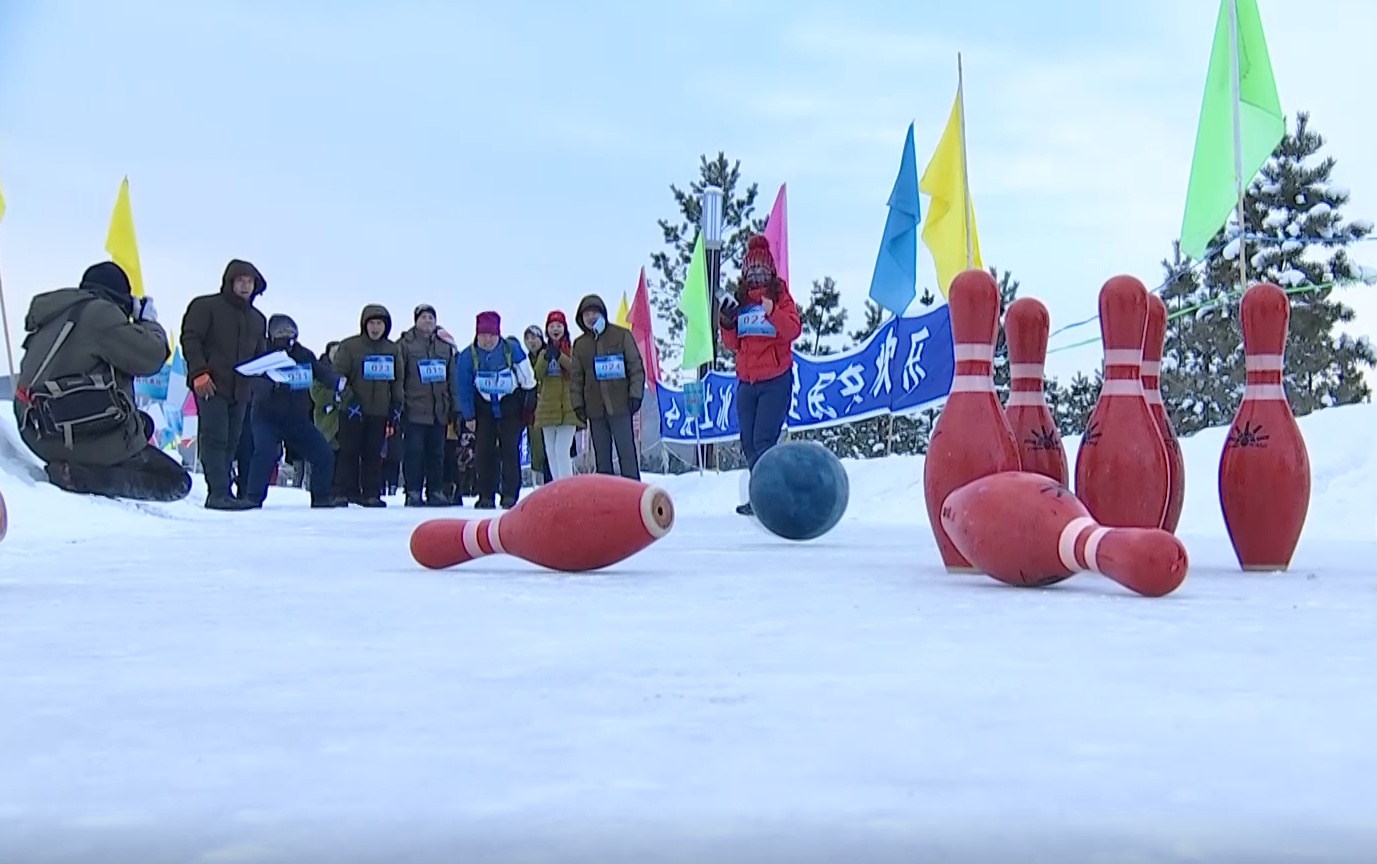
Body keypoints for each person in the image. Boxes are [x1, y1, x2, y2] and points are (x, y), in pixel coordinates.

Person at [12, 261, 192, 502]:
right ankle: (80, 476)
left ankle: (79, 465)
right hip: (70, 433)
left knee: (143, 424)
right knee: (176, 481)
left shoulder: (56, 312)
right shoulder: (100, 314)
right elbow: (151, 357)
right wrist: (148, 322)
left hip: (36, 430)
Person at [719, 234, 803, 516]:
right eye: (752, 270)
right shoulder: (740, 300)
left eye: (762, 270)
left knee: (764, 440)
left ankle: (770, 497)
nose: (757, 275)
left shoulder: (780, 296)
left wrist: (773, 311)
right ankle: (763, 495)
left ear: (770, 271)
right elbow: (732, 344)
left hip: (775, 379)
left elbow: (792, 330)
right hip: (747, 380)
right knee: (748, 442)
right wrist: (727, 323)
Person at [179, 259, 269, 510]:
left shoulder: (258, 319)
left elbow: (259, 354)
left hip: (241, 389)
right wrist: (199, 372)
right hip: (210, 384)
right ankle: (217, 492)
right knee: (215, 437)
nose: (245, 286)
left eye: (250, 281)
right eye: (240, 280)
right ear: (229, 282)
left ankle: (224, 491)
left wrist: (262, 375)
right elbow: (191, 339)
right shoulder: (205, 306)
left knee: (232, 439)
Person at [243, 314, 346, 508]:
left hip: (297, 419)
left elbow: (319, 371)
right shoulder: (262, 353)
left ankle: (321, 497)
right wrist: (267, 386)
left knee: (323, 454)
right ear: (271, 334)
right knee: (264, 454)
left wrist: (337, 382)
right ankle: (253, 498)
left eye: (290, 330)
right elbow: (250, 378)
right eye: (281, 331)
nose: (286, 334)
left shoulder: (304, 354)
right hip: (266, 418)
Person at [453, 311, 537, 509]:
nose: (488, 340)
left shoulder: (512, 350)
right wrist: (469, 416)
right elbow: (463, 387)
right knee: (483, 452)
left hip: (510, 405)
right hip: (483, 409)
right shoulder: (467, 356)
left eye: (492, 335)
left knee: (510, 451)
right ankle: (485, 495)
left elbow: (528, 380)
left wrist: (528, 409)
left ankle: (509, 495)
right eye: (483, 335)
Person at [332, 304, 404, 507]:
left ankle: (371, 493)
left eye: (379, 323)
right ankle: (342, 491)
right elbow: (338, 376)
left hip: (379, 411)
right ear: (364, 324)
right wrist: (349, 399)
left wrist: (397, 404)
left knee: (373, 453)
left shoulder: (392, 349)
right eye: (372, 323)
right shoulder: (350, 346)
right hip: (352, 410)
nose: (375, 328)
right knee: (348, 452)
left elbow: (397, 380)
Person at [569, 294, 645, 480]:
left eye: (594, 312)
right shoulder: (580, 345)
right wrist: (577, 405)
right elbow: (576, 377)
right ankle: (606, 501)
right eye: (586, 314)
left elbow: (635, 366)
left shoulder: (621, 335)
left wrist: (635, 395)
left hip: (620, 405)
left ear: (602, 314)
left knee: (627, 455)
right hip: (595, 409)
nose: (591, 317)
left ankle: (633, 495)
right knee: (602, 460)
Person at [398, 303, 458, 506]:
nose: (427, 321)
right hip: (414, 409)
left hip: (439, 410)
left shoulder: (444, 346)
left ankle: (435, 490)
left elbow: (452, 379)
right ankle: (413, 491)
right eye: (423, 317)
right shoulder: (405, 344)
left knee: (437, 453)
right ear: (416, 320)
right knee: (414, 452)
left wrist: (454, 407)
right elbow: (400, 377)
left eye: (431, 317)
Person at [531, 310, 581, 481]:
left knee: (562, 450)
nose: (555, 329)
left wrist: (560, 357)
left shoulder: (572, 349)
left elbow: (576, 370)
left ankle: (568, 487)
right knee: (550, 452)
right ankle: (557, 486)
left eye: (559, 325)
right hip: (547, 409)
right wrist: (546, 357)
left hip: (568, 408)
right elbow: (537, 374)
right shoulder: (543, 353)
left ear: (565, 328)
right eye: (552, 326)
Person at [521, 324, 551, 485]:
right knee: (536, 450)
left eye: (534, 337)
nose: (531, 341)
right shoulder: (524, 360)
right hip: (532, 410)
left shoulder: (548, 355)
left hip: (549, 408)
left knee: (550, 450)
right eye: (528, 338)